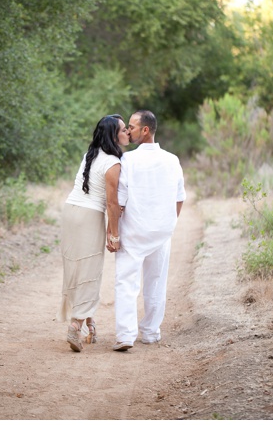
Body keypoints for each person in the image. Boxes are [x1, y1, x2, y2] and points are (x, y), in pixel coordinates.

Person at [111, 110, 186, 352]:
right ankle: (151, 332)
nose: (128, 130)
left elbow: (120, 201)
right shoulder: (172, 160)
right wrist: (167, 223)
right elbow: (179, 198)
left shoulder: (128, 160)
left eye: (132, 126)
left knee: (126, 282)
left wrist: (113, 231)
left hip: (133, 231)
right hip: (161, 232)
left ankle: (125, 335)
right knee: (156, 282)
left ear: (145, 130)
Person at [58, 114, 130, 352]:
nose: (127, 133)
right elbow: (112, 204)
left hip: (70, 211)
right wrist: (114, 234)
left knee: (77, 268)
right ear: (113, 135)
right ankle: (76, 326)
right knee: (90, 271)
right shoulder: (113, 163)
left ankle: (90, 324)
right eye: (122, 130)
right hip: (89, 217)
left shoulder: (91, 154)